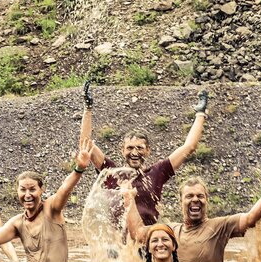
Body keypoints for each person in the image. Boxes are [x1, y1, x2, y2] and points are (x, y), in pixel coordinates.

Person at [84, 88, 208, 225]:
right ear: (122, 150)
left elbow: (189, 147)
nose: (135, 153)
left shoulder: (156, 173)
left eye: (140, 148)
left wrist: (200, 113)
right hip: (117, 244)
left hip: (148, 241)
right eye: (130, 148)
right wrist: (87, 109)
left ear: (148, 151)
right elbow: (86, 145)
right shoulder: (112, 173)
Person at [127, 176, 261, 262]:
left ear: (206, 200)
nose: (195, 199)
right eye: (189, 196)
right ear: (181, 202)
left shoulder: (220, 226)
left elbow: (250, 218)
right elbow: (138, 233)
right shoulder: (168, 232)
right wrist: (129, 198)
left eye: (200, 196)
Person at [124, 223, 203, 262]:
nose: (160, 244)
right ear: (148, 249)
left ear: (174, 246)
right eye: (155, 240)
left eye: (165, 239)